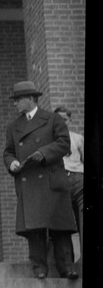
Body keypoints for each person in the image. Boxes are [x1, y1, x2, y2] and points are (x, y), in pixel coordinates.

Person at [3, 81, 78, 280]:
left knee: (59, 227)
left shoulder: (53, 119)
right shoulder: (13, 126)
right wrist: (11, 164)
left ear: (32, 99)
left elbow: (63, 143)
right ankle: (39, 267)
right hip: (29, 182)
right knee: (34, 228)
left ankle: (67, 268)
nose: (15, 103)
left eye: (18, 99)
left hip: (51, 179)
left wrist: (43, 153)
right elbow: (8, 152)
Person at [54, 105, 84, 256]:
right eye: (59, 120)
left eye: (65, 120)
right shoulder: (51, 140)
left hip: (77, 179)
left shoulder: (78, 139)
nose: (62, 123)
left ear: (70, 121)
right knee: (64, 222)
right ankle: (68, 261)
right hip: (60, 180)